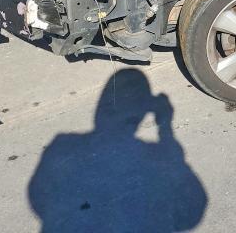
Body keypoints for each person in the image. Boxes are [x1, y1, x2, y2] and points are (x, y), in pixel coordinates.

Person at [29, 68, 207, 232]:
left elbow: (38, 195)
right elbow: (193, 208)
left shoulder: (62, 146)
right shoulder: (154, 157)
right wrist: (165, 125)